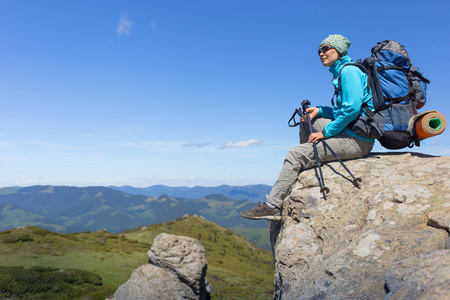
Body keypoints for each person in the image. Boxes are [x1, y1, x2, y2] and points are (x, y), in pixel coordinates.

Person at [240, 34, 375, 221]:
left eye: (326, 48)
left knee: (295, 154)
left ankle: (273, 206)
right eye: (319, 50)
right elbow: (342, 110)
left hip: (358, 140)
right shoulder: (341, 72)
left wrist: (325, 132)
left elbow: (351, 109)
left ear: (339, 50)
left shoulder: (349, 72)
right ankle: (310, 157)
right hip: (352, 131)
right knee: (307, 119)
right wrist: (318, 110)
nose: (321, 53)